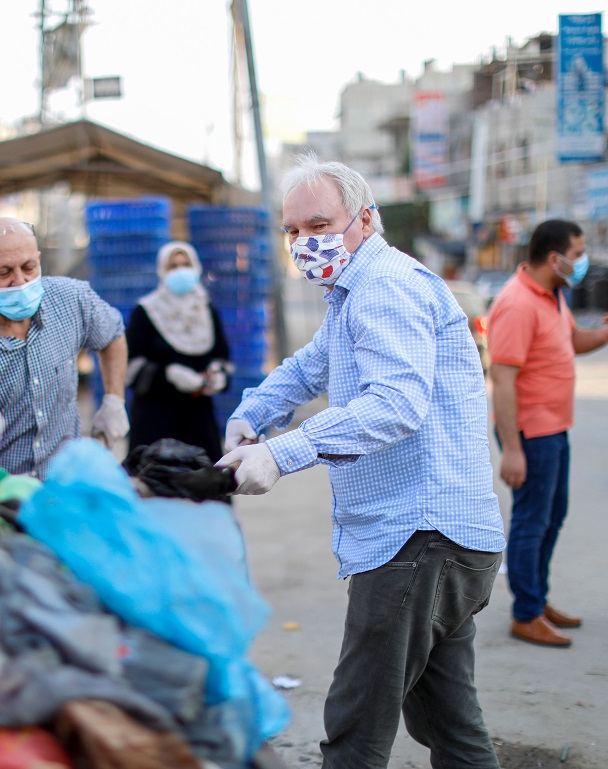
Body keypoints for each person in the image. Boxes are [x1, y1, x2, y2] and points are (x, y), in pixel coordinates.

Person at [216, 156, 506, 768]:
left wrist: (282, 452)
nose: (304, 243)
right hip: (445, 540)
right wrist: (254, 413)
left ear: (364, 219)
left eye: (318, 224)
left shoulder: (385, 287)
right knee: (451, 726)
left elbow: (396, 405)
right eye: (292, 231)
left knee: (356, 731)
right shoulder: (353, 293)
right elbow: (308, 366)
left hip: (420, 537)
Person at [0, 216, 129, 479]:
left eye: (28, 267)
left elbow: (113, 333)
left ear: (39, 260)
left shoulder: (72, 300)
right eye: (4, 272)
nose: (20, 281)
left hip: (66, 483)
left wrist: (114, 400)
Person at [487, 219, 608, 647]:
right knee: (532, 521)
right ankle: (525, 613)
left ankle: (536, 600)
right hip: (531, 433)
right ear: (554, 258)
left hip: (555, 428)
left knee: (551, 518)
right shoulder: (517, 304)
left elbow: (572, 342)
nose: (582, 262)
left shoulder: (554, 295)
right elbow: (502, 380)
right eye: (577, 254)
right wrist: (513, 450)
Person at [125, 241, 232, 462]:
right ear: (162, 270)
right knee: (156, 488)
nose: (180, 271)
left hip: (198, 418)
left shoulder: (206, 309)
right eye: (173, 266)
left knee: (203, 487)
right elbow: (130, 369)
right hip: (156, 421)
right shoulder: (146, 311)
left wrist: (218, 374)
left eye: (186, 264)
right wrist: (168, 374)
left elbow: (223, 356)